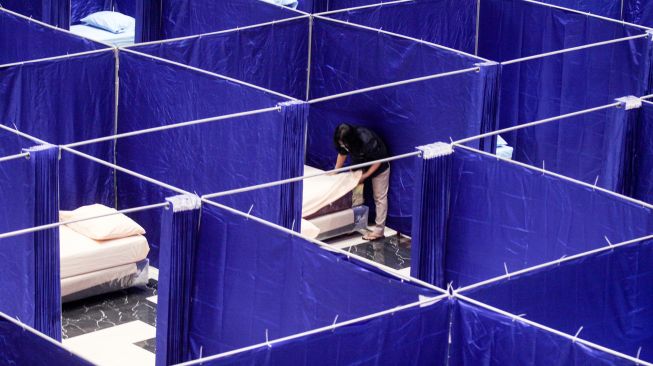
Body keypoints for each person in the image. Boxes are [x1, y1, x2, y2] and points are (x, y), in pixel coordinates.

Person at [333, 123, 390, 240]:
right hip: (359, 163)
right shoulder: (342, 141)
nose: (343, 145)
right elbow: (342, 153)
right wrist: (335, 171)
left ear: (351, 139)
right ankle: (354, 225)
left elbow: (379, 160)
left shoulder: (367, 139)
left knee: (380, 197)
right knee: (355, 195)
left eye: (345, 143)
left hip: (378, 165)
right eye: (341, 143)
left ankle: (379, 231)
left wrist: (365, 176)